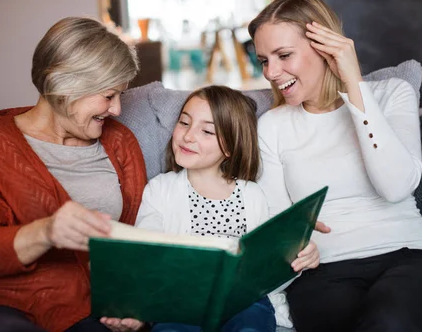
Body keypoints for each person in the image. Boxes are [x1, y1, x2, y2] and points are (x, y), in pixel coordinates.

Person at [249, 0, 422, 331]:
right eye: (265, 60)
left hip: (408, 258)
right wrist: (295, 243)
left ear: (326, 47)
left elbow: (395, 186)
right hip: (325, 274)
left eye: (283, 55)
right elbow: (281, 225)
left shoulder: (392, 94)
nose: (271, 72)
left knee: (390, 319)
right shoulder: (273, 126)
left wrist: (353, 82)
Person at [0, 17, 148, 332]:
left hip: (88, 311)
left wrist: (135, 308)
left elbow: (135, 247)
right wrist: (46, 231)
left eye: (120, 97)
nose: (116, 110)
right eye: (108, 95)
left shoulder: (120, 142)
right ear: (65, 85)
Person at [135, 85, 322, 332]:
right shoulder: (160, 189)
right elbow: (145, 250)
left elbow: (268, 267)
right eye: (184, 123)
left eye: (207, 131)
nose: (188, 136)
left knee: (250, 324)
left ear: (230, 147)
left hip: (243, 299)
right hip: (183, 297)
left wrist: (297, 254)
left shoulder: (252, 195)